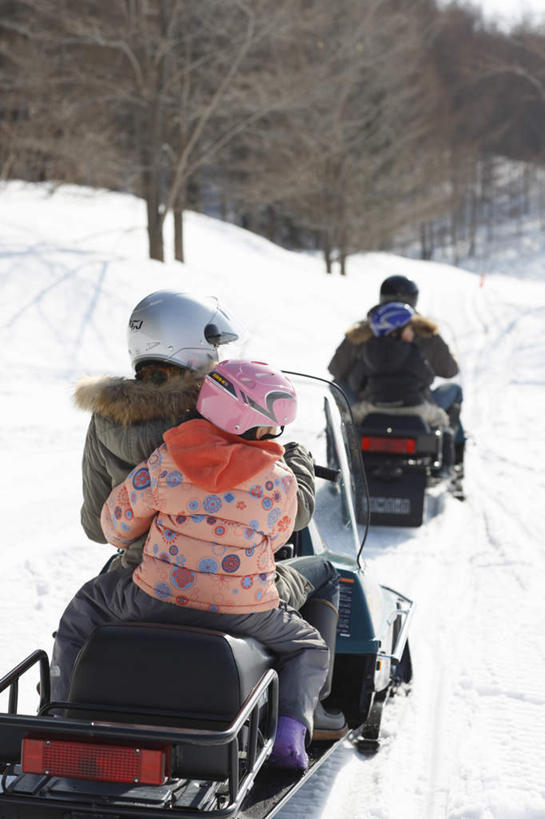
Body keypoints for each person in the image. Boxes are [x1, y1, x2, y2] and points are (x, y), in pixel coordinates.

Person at [51, 360, 331, 770]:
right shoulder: (281, 479)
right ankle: (291, 732)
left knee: (87, 606)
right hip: (245, 612)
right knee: (308, 646)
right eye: (273, 429)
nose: (275, 437)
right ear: (253, 426)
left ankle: (61, 713)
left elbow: (114, 527)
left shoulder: (167, 459)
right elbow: (281, 536)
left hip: (155, 597)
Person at [328, 274, 464, 458]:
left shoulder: (363, 331)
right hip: (416, 403)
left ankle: (338, 455)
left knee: (335, 384)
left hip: (370, 404)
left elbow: (337, 370)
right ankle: (453, 460)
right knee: (453, 391)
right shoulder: (422, 330)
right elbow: (449, 371)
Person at [349, 302, 450, 430]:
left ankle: (350, 449)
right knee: (441, 419)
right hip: (413, 408)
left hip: (375, 408)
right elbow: (428, 378)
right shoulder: (413, 352)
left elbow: (355, 382)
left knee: (349, 419)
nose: (413, 333)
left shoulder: (369, 351)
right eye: (410, 329)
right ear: (394, 332)